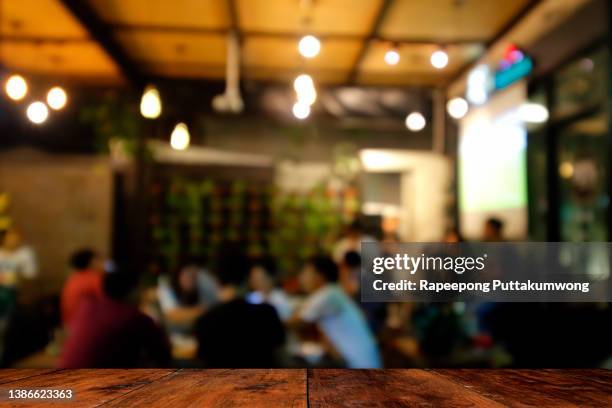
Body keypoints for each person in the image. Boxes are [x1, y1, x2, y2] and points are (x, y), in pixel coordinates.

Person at [59, 271, 170, 368]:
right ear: (133, 291)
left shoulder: (86, 307)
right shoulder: (133, 317)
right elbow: (163, 355)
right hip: (94, 385)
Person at [195, 247, 285, 368]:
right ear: (248, 276)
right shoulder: (267, 313)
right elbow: (280, 353)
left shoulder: (205, 321)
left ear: (216, 279)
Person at [292, 255, 382, 368]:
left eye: (305, 273)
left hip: (359, 367)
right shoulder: (334, 292)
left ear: (320, 276)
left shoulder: (327, 295)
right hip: (362, 363)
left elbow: (295, 322)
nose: (301, 278)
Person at [157, 260, 219, 329]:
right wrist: (203, 310)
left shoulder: (201, 286)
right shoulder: (166, 288)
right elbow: (172, 315)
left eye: (194, 277)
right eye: (188, 276)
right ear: (178, 275)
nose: (191, 280)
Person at [60, 249, 105, 327]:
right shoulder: (95, 279)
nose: (103, 263)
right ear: (93, 262)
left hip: (69, 324)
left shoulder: (73, 279)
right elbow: (108, 303)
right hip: (85, 325)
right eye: (100, 260)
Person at [247, 257, 293, 321]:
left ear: (271, 278)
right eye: (253, 279)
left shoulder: (280, 298)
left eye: (260, 279)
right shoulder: (251, 297)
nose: (256, 283)